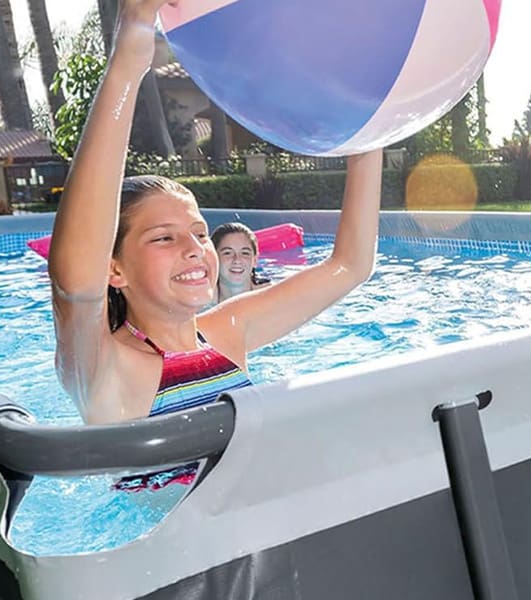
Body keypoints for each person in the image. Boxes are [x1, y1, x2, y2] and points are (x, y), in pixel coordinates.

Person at [49, 0, 382, 428]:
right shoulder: (103, 369)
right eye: (163, 237)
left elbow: (350, 266)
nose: (194, 249)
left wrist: (369, 128)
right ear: (114, 269)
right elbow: (76, 282)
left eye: (200, 233)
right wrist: (129, 54)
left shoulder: (228, 330)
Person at [211, 222, 271, 303]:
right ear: (214, 259)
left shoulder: (273, 297)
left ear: (255, 260)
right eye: (228, 253)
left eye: (245, 253)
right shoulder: (200, 301)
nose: (237, 260)